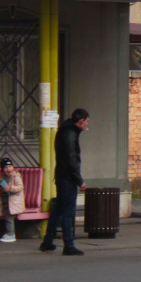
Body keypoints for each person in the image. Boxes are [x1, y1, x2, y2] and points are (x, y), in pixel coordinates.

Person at [42, 108, 88, 256]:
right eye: (86, 122)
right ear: (80, 121)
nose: (87, 125)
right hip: (67, 178)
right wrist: (79, 180)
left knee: (58, 210)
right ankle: (68, 245)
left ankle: (47, 242)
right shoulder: (70, 134)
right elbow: (71, 159)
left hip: (61, 175)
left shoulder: (64, 130)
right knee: (68, 212)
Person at [0, 156, 25, 244]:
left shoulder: (16, 176)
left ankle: (11, 234)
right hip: (5, 201)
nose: (8, 169)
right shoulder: (1, 178)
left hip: (13, 202)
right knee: (7, 217)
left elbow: (20, 187)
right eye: (5, 167)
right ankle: (8, 233)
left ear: (13, 167)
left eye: (9, 166)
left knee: (9, 218)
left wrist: (10, 188)